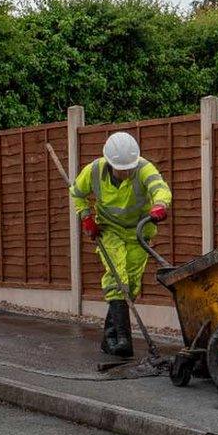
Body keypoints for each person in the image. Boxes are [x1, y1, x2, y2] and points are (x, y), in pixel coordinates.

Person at [70, 132, 172, 358]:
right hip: (110, 230)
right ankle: (124, 340)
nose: (126, 172)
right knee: (117, 275)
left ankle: (110, 337)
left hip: (138, 232)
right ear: (109, 162)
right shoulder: (94, 171)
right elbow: (76, 193)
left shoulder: (144, 168)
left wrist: (160, 204)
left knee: (132, 284)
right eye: (121, 169)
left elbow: (160, 188)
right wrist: (86, 217)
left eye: (129, 168)